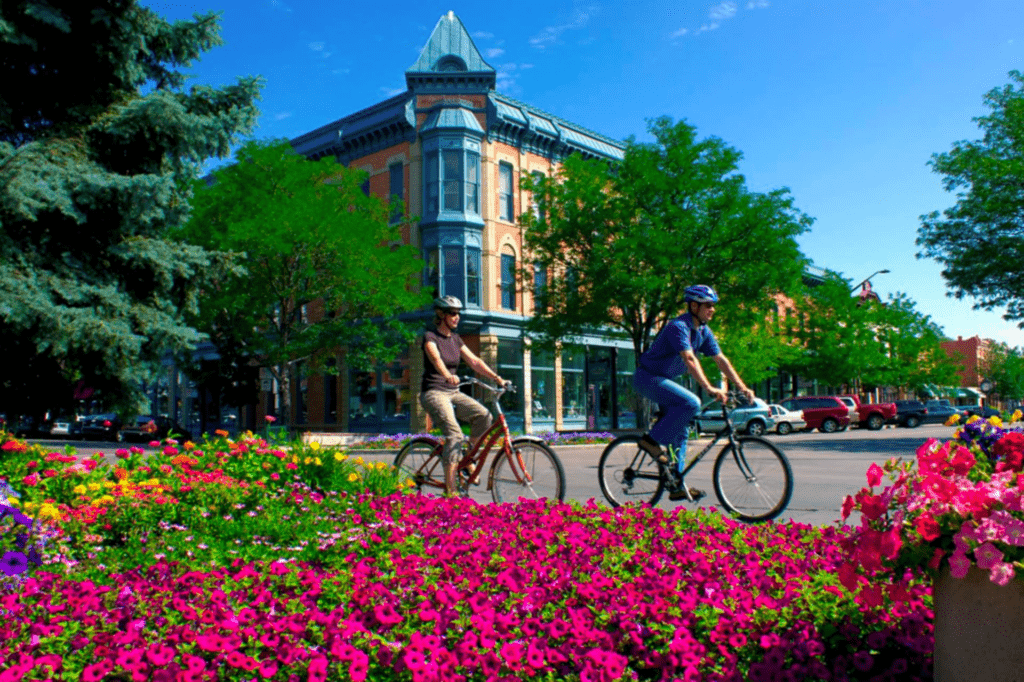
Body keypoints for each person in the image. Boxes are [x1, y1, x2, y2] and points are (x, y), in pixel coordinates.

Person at [633, 284, 756, 501]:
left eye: (713, 305)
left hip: (664, 381)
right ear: (694, 306)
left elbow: (721, 360)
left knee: (681, 432)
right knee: (692, 402)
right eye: (708, 305)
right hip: (647, 378)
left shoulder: (703, 332)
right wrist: (709, 387)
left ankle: (676, 485)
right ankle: (650, 442)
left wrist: (742, 386)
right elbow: (689, 359)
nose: (712, 309)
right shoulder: (678, 327)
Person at [419, 295, 506, 495]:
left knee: (484, 416)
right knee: (455, 435)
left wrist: (497, 378)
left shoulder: (456, 339)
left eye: (458, 313)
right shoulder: (430, 337)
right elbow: (435, 358)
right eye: (452, 313)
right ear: (441, 315)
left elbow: (474, 361)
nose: (457, 317)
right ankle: (451, 491)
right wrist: (447, 375)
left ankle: (467, 458)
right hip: (434, 392)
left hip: (453, 391)